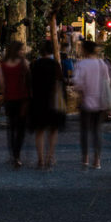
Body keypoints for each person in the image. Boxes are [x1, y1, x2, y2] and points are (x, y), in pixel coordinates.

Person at [72, 39, 111, 169]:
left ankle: (85, 158)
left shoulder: (81, 64)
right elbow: (108, 81)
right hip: (100, 102)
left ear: (84, 50)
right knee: (96, 131)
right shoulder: (102, 64)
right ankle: (97, 160)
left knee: (84, 131)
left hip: (86, 101)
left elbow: (78, 83)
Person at [29, 41, 67, 169]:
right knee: (52, 131)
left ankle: (40, 159)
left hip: (39, 101)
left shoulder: (35, 65)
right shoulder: (55, 65)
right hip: (53, 102)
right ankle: (50, 157)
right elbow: (61, 83)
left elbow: (30, 83)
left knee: (39, 131)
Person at [0, 41, 31, 169]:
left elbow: (2, 83)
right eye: (21, 50)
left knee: (11, 128)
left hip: (9, 99)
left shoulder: (2, 64)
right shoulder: (24, 63)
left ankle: (14, 155)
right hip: (22, 99)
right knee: (21, 129)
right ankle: (17, 155)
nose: (22, 52)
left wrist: (4, 95)